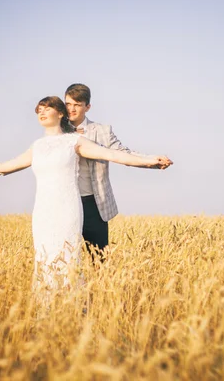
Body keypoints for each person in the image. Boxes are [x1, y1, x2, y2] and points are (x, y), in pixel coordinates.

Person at [0, 96, 172, 286]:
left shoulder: (75, 141)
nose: (41, 112)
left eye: (47, 108)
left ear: (61, 113)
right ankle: (46, 308)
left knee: (67, 257)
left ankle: (72, 306)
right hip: (42, 212)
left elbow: (113, 154)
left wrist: (150, 160)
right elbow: (9, 165)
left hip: (68, 209)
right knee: (45, 257)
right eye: (39, 109)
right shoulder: (37, 146)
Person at [65, 83, 172, 261]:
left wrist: (152, 161)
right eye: (68, 104)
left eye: (77, 104)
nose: (72, 109)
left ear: (87, 107)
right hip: (67, 202)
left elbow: (123, 154)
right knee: (66, 259)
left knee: (100, 260)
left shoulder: (102, 131)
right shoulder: (57, 131)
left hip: (94, 203)